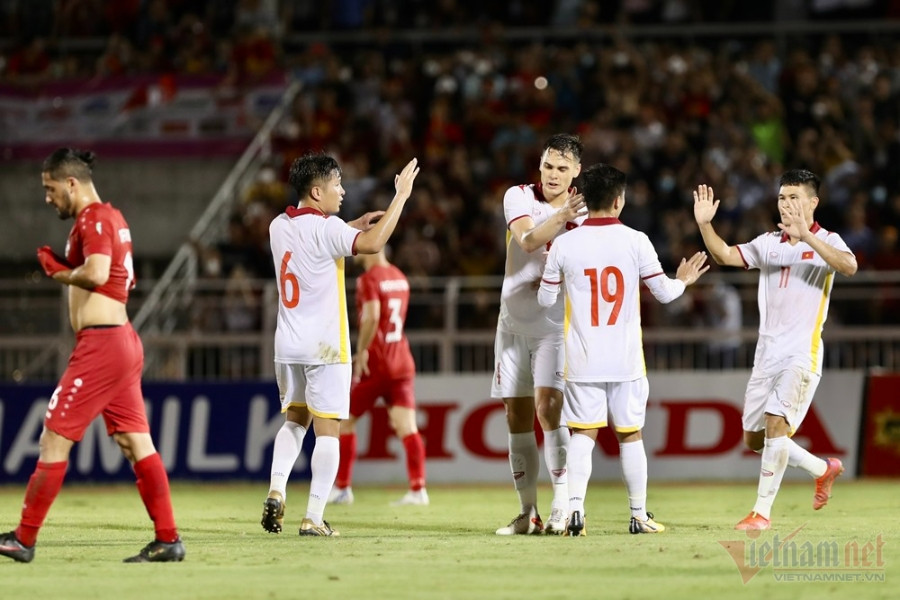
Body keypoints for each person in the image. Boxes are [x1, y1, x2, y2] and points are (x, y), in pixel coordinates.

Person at [0, 148, 184, 563]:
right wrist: (66, 266)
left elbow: (99, 273)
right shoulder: (110, 218)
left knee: (53, 436)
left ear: (71, 183)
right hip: (118, 341)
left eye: (50, 189)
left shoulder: (95, 218)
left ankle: (23, 539)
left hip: (102, 345)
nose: (47, 198)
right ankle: (168, 539)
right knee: (135, 441)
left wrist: (57, 271)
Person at [538, 163, 709, 536]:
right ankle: (638, 515)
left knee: (582, 435)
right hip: (626, 360)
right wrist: (683, 281)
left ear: (583, 200)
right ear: (619, 200)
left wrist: (557, 282)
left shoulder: (564, 243)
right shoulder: (636, 240)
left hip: (582, 359)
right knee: (630, 435)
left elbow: (544, 298)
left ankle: (575, 514)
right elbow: (663, 294)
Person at [261, 153, 419, 537]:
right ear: (317, 191)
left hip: (287, 346)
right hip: (326, 348)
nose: (343, 190)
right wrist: (401, 196)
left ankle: (276, 490)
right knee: (328, 429)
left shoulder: (278, 225)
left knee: (295, 421)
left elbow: (312, 240)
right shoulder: (329, 229)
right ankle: (314, 516)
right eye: (336, 184)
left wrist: (351, 226)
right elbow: (375, 242)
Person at [693, 169, 857, 531]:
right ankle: (821, 468)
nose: (786, 204)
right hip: (766, 355)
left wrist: (808, 240)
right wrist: (705, 226)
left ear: (813, 202)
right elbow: (723, 255)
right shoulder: (768, 243)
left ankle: (761, 513)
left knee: (775, 425)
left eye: (794, 198)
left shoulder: (828, 240)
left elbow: (849, 266)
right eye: (782, 198)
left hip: (802, 353)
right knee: (755, 439)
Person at [492, 133, 588, 536]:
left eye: (562, 168)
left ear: (576, 172)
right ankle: (526, 512)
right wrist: (561, 216)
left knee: (549, 410)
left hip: (553, 328)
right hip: (512, 324)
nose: (552, 174)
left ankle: (561, 505)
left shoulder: (585, 214)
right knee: (516, 416)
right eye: (548, 165)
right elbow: (528, 240)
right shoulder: (518, 196)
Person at [327, 248, 428, 507]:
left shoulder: (368, 279)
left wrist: (361, 352)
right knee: (408, 428)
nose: (357, 248)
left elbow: (372, 316)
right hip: (402, 361)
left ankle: (342, 488)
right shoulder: (400, 277)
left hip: (376, 362)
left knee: (344, 422)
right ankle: (418, 489)